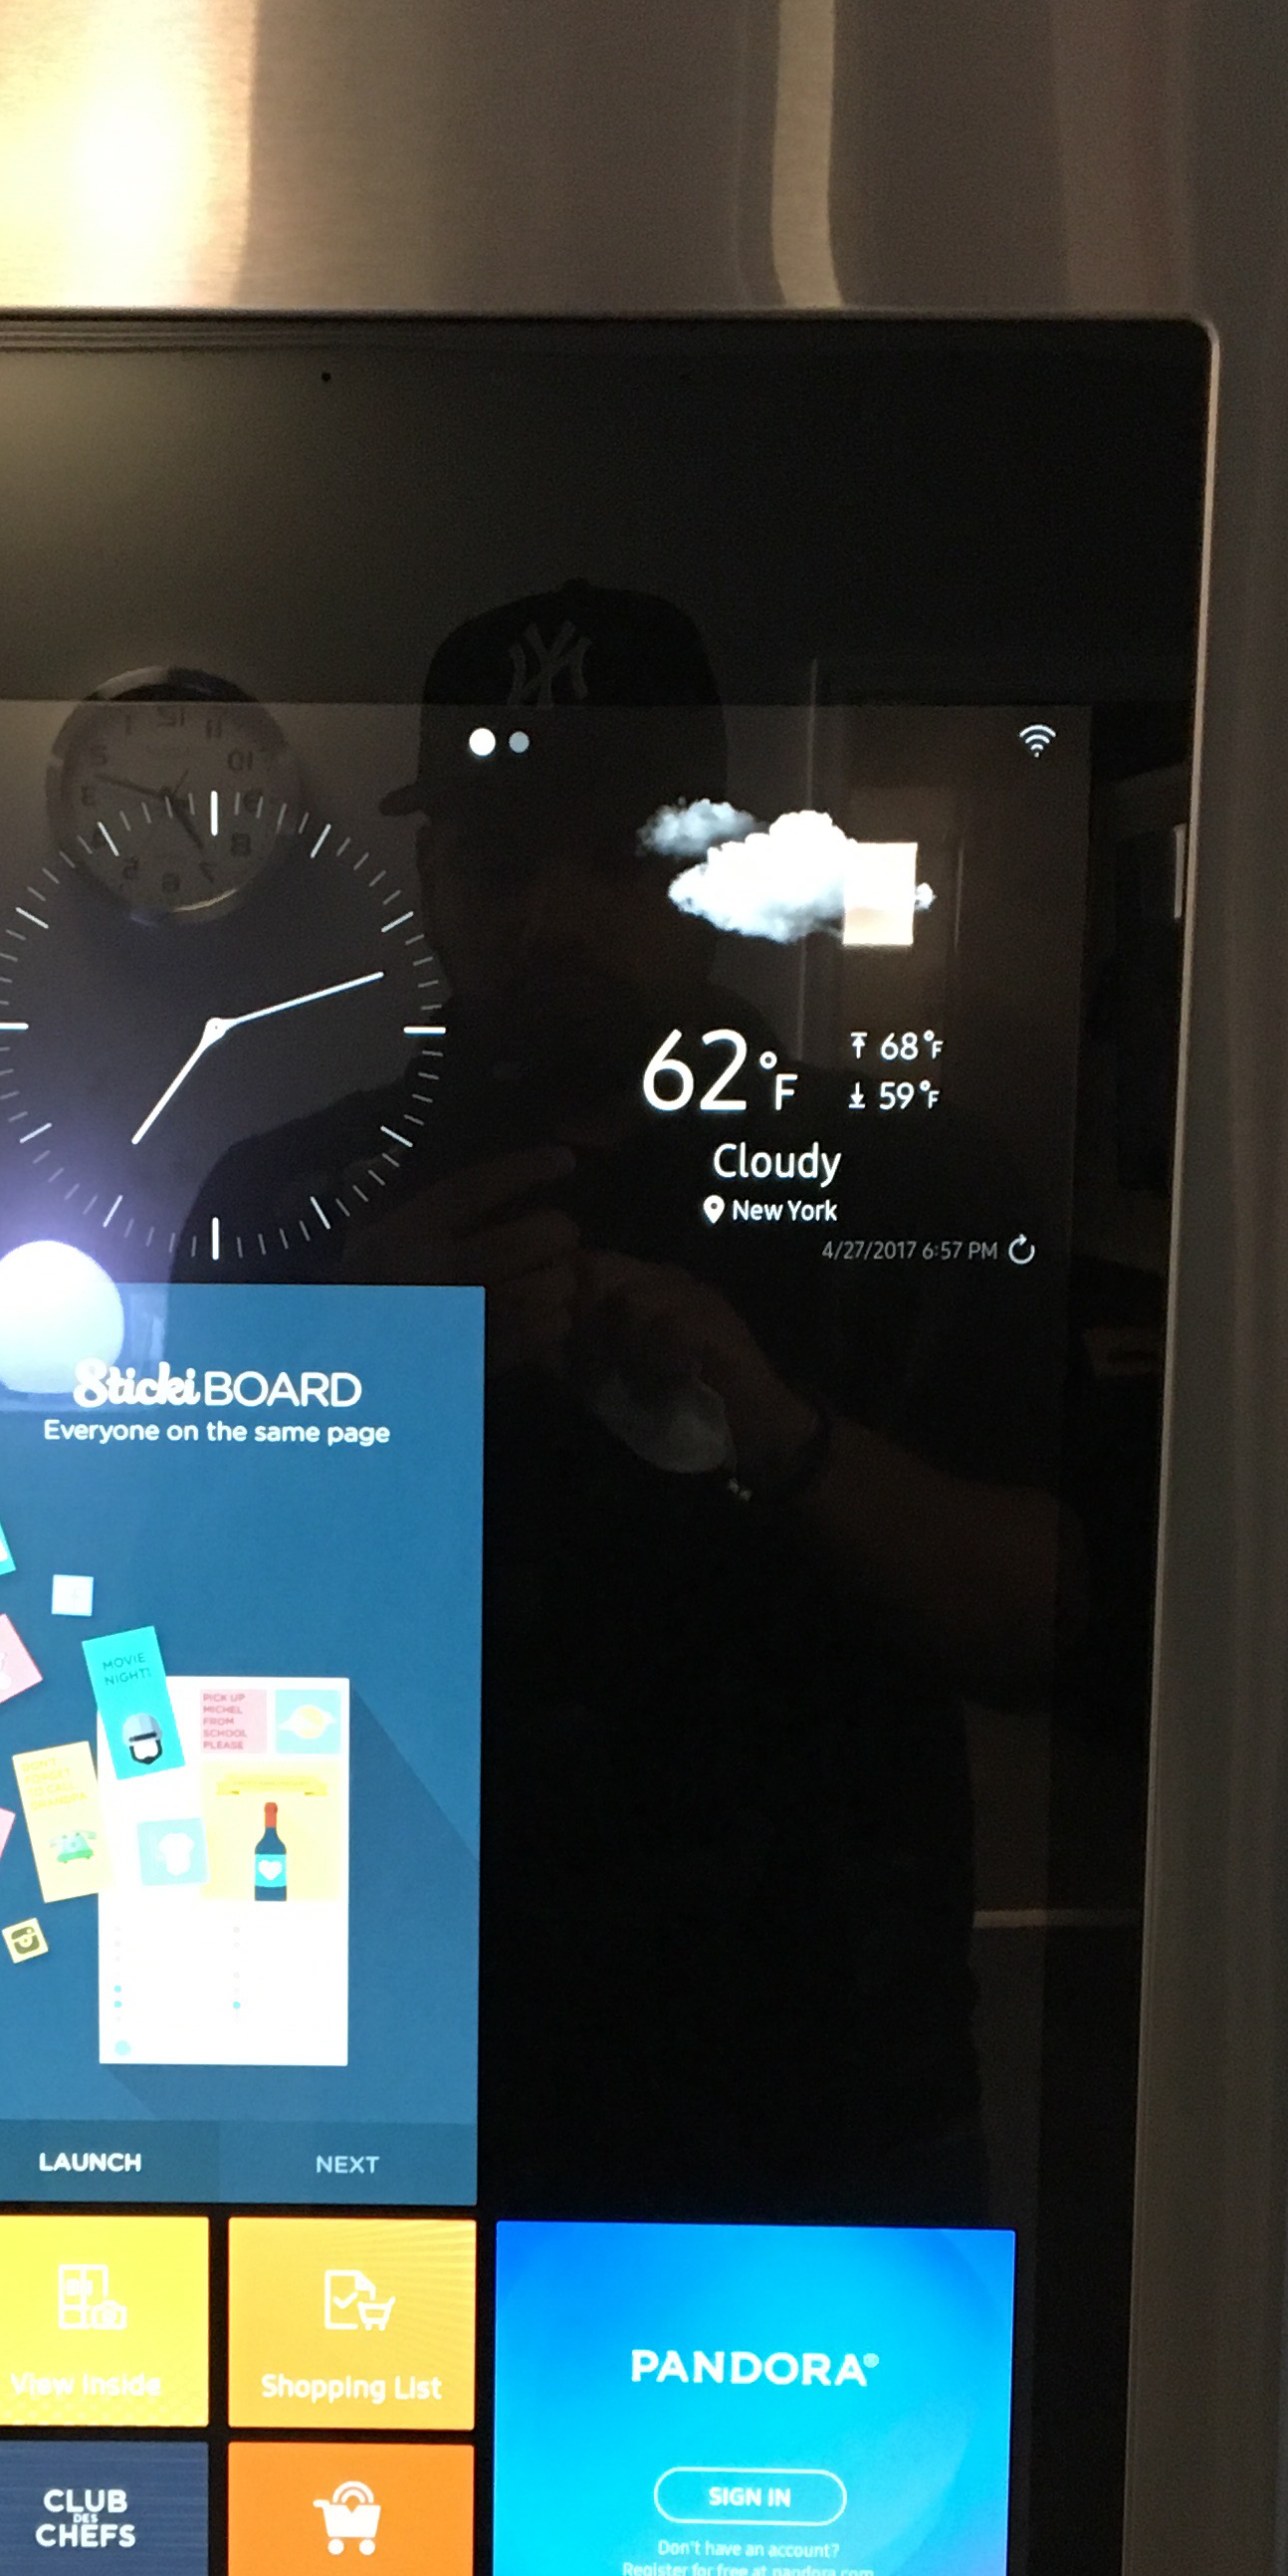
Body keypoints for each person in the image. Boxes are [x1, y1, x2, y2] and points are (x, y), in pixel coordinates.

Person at [194, 582, 1065, 2218]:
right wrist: (352, 1376)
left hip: (813, 2094)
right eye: (499, 863)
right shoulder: (287, 1203)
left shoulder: (915, 1182)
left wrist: (781, 1435)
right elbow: (152, 1666)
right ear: (431, 878)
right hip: (383, 2071)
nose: (556, 918)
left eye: (617, 857)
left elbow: (1038, 1630)